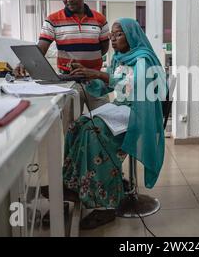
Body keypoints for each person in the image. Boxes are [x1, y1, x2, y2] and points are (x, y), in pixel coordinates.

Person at [55, 18, 166, 229]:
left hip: (140, 113)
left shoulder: (144, 59)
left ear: (131, 35)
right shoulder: (119, 58)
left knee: (93, 132)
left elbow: (137, 89)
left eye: (118, 34)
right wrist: (87, 76)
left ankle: (105, 207)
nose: (113, 39)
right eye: (112, 35)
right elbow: (104, 88)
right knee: (76, 127)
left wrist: (97, 73)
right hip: (122, 109)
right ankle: (73, 185)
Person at [14, 0, 110, 112]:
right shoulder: (52, 20)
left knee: (105, 119)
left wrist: (89, 67)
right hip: (68, 82)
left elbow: (104, 49)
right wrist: (25, 62)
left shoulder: (100, 19)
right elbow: (41, 47)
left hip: (95, 80)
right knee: (71, 126)